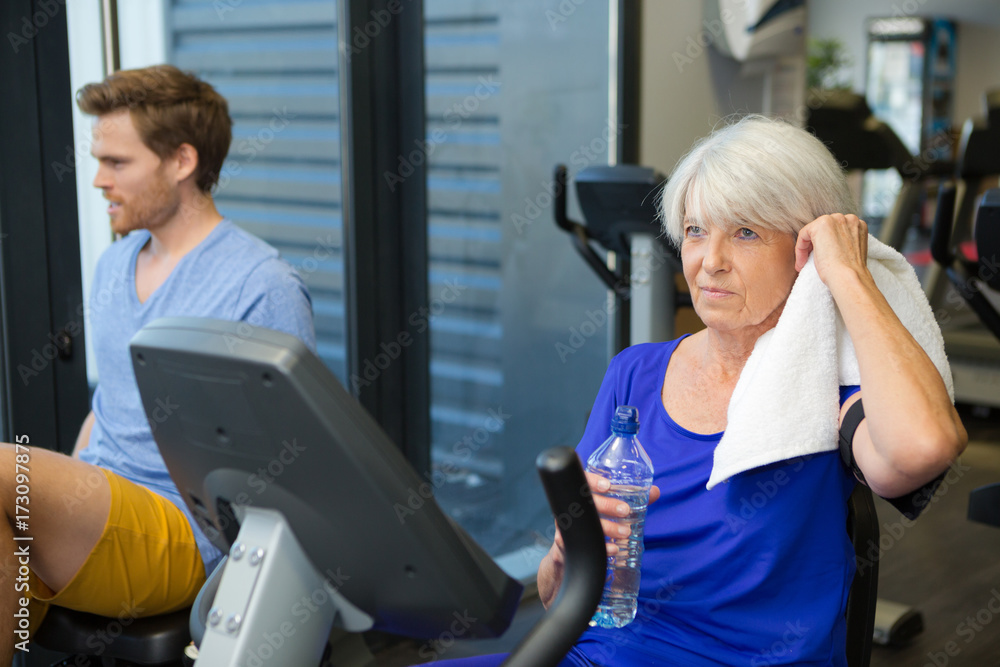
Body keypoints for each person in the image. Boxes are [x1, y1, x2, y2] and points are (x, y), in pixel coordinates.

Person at [426, 115, 967, 666]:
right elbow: (555, 598)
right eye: (695, 230)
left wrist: (848, 273)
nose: (710, 262)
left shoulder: (827, 388)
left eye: (746, 232)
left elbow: (923, 448)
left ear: (806, 250)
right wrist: (568, 551)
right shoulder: (633, 373)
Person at [0, 64, 315, 664]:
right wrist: (65, 487)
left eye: (117, 163)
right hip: (102, 509)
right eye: (98, 161)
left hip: (183, 532)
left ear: (182, 162)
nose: (98, 180)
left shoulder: (261, 285)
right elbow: (109, 406)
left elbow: (295, 463)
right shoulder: (114, 265)